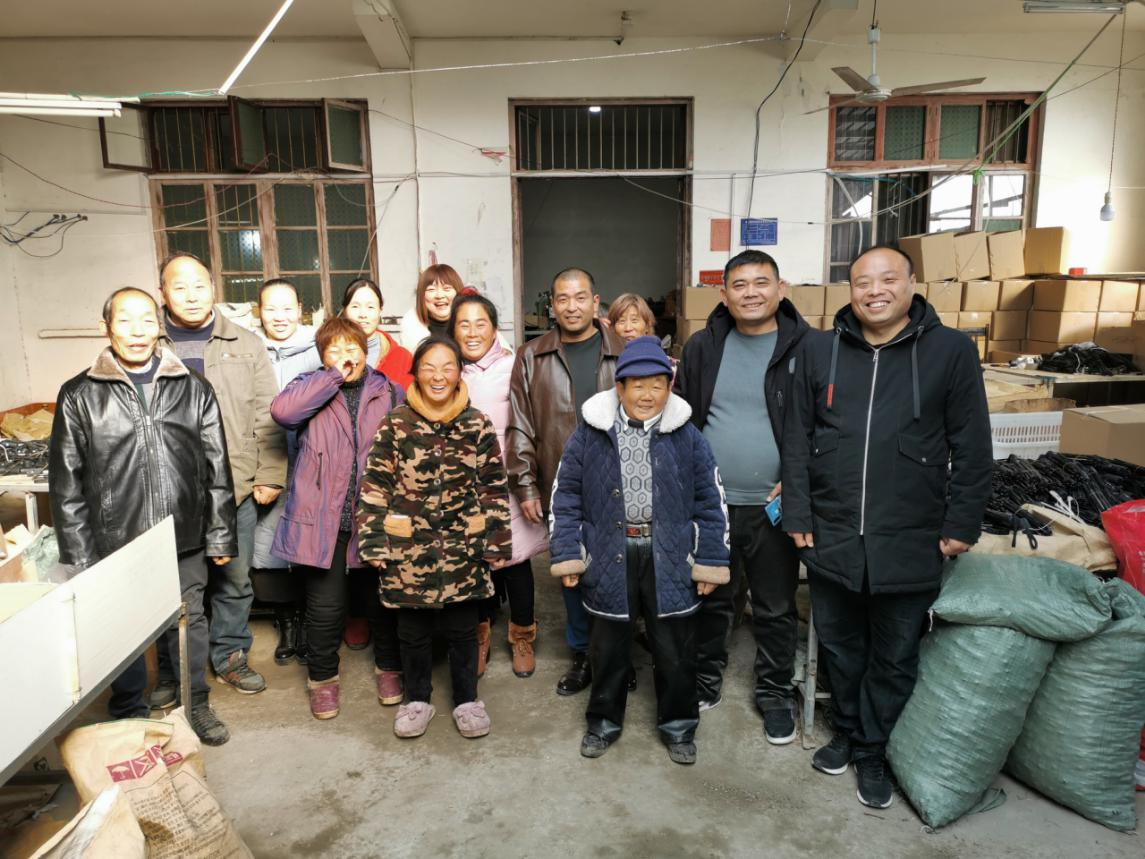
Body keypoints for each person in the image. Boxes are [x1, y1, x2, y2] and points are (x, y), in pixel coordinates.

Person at [782, 245, 992, 809]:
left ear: (912, 283)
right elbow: (798, 438)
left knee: (895, 654)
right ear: (849, 290)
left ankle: (873, 748)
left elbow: (973, 446)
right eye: (862, 282)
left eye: (887, 278)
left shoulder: (950, 351)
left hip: (912, 533)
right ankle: (850, 731)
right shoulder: (820, 349)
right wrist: (797, 511)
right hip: (832, 531)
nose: (875, 291)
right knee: (842, 646)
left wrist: (962, 520)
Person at [49, 287, 236, 745]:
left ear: (160, 327)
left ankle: (196, 704)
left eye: (147, 320)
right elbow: (66, 482)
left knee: (189, 622)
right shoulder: (79, 394)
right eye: (125, 320)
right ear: (106, 328)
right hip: (116, 540)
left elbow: (217, 465)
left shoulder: (193, 387)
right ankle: (129, 714)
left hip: (184, 534)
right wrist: (81, 556)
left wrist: (219, 534)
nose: (137, 331)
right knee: (123, 633)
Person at [549, 336, 730, 765]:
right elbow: (566, 495)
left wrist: (709, 562)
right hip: (609, 551)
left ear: (669, 387)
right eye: (637, 385)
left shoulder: (688, 437)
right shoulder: (591, 434)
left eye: (656, 385)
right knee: (608, 647)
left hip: (670, 555)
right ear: (620, 387)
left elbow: (711, 501)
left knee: (675, 648)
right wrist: (568, 552)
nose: (647, 395)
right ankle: (603, 723)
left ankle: (679, 727)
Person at [673, 249, 811, 744]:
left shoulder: (807, 347)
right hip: (712, 503)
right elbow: (681, 417)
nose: (751, 293)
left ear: (781, 288)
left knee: (774, 605)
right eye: (739, 284)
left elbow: (824, 425)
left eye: (761, 282)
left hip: (774, 505)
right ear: (724, 294)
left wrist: (800, 479)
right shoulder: (704, 347)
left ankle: (774, 693)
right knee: (712, 597)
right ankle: (705, 679)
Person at [358, 337, 512, 740]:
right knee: (412, 630)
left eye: (447, 367)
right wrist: (373, 541)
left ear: (460, 373)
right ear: (415, 373)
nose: (438, 376)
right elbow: (375, 484)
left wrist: (497, 540)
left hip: (464, 547)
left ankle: (467, 700)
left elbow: (493, 486)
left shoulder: (477, 423)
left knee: (464, 628)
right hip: (408, 548)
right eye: (428, 367)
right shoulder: (396, 422)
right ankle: (417, 701)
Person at [155, 252, 286, 702]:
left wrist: (270, 474)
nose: (191, 295)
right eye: (179, 287)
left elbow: (268, 413)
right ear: (163, 293)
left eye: (199, 285)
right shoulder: (149, 343)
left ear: (214, 288)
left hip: (234, 483)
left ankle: (230, 656)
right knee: (172, 586)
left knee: (234, 579)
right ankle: (174, 670)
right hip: (168, 491)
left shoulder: (245, 343)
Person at [270, 317, 406, 720]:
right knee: (326, 608)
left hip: (374, 515)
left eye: (352, 347)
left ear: (366, 350)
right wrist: (331, 378)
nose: (345, 355)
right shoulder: (308, 387)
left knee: (382, 602)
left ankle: (389, 668)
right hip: (324, 517)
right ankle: (322, 679)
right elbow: (282, 413)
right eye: (335, 349)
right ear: (322, 355)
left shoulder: (389, 391)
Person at [506, 268, 626, 695]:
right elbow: (519, 425)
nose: (571, 307)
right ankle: (583, 654)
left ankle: (617, 655)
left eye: (580, 298)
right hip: (562, 484)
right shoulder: (531, 355)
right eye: (562, 299)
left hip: (618, 481)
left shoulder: (624, 351)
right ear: (551, 306)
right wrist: (524, 484)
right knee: (571, 571)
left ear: (595, 302)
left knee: (618, 571)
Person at [451, 294, 548, 678]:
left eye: (481, 324)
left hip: (507, 481)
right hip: (464, 485)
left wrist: (528, 481)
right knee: (474, 562)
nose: (473, 332)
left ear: (495, 329)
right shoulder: (448, 368)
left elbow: (530, 425)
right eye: (464, 324)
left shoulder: (513, 366)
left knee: (515, 562)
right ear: (453, 330)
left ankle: (522, 635)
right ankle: (480, 636)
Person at [254, 279, 322, 665]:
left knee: (312, 546)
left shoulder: (318, 349)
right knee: (271, 546)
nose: (279, 317)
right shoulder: (251, 350)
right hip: (267, 462)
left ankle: (313, 624)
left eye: (286, 308)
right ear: (258, 312)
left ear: (300, 310)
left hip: (312, 463)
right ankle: (288, 623)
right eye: (270, 309)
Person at [342, 278, 414, 389]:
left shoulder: (402, 358)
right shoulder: (331, 355)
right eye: (355, 306)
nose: (363, 314)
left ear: (380, 310)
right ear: (345, 310)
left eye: (370, 307)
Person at [398, 264, 462, 350]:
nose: (440, 295)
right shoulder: (411, 328)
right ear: (422, 295)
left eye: (447, 288)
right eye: (431, 289)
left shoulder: (472, 328)